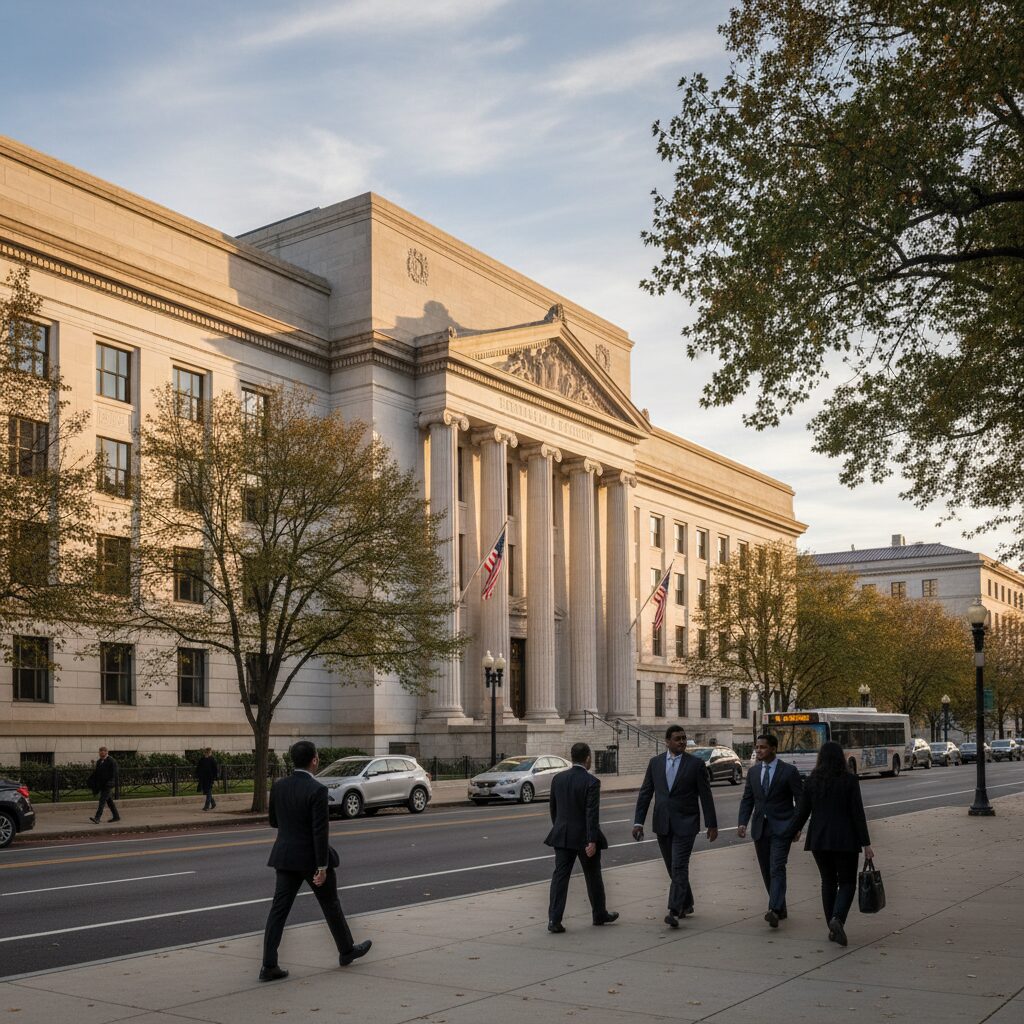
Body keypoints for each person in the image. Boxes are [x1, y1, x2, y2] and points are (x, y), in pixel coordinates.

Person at [260, 740, 371, 982]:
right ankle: (346, 950)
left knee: (278, 911)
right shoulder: (318, 790)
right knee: (331, 905)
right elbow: (320, 832)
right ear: (314, 760)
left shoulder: (278, 787)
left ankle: (269, 965)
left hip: (285, 857)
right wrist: (321, 867)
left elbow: (274, 822)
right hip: (311, 859)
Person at [784, 740, 874, 947]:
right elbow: (857, 813)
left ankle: (831, 926)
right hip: (846, 839)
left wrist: (791, 833)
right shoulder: (849, 780)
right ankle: (838, 919)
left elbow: (802, 812)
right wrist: (866, 843)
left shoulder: (812, 781)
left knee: (828, 882)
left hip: (819, 839)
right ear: (841, 758)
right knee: (848, 882)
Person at [633, 725, 718, 927]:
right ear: (667, 741)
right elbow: (645, 793)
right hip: (663, 823)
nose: (682, 742)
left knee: (679, 865)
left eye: (684, 738)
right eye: (677, 739)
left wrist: (711, 824)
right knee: (673, 868)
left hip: (686, 823)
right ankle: (687, 902)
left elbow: (706, 795)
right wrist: (638, 822)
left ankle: (674, 909)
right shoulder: (655, 763)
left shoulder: (696, 765)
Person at [544, 742, 619, 933]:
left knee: (560, 878)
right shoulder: (591, 782)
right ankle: (599, 913)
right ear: (587, 758)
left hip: (562, 835)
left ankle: (554, 920)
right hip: (585, 838)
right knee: (593, 876)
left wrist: (560, 828)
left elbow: (554, 809)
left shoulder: (558, 779)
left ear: (572, 757)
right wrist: (592, 840)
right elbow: (591, 814)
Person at [737, 733, 803, 928]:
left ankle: (773, 909)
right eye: (757, 747)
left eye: (763, 747)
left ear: (773, 749)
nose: (758, 750)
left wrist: (797, 826)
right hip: (760, 828)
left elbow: (800, 800)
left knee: (777, 867)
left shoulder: (789, 771)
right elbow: (748, 799)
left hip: (783, 827)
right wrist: (742, 822)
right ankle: (780, 907)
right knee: (766, 869)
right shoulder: (754, 772)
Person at [87, 746, 120, 824]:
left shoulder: (112, 761)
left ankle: (97, 818)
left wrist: (111, 783)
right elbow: (96, 773)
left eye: (103, 751)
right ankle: (116, 816)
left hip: (108, 785)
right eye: (100, 752)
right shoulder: (99, 762)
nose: (101, 753)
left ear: (106, 752)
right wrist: (90, 780)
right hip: (102, 784)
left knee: (102, 801)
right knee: (109, 801)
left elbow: (114, 774)